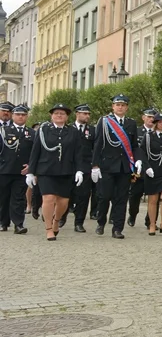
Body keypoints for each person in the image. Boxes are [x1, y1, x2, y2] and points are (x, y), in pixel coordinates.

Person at [26, 104, 88, 241]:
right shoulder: (43, 130)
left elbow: (78, 152)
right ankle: (48, 229)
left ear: (67, 117)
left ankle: (56, 221)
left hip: (66, 170)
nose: (59, 115)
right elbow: (35, 151)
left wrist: (80, 170)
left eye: (62, 113)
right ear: (51, 115)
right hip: (46, 170)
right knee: (48, 198)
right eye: (56, 113)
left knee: (63, 201)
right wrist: (31, 172)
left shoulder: (73, 131)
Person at [92, 94, 140, 239]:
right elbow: (98, 143)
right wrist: (95, 165)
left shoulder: (131, 123)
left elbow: (134, 146)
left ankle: (117, 228)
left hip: (124, 167)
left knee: (121, 198)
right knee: (105, 196)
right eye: (117, 104)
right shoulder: (105, 121)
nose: (120, 107)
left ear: (127, 107)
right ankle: (101, 222)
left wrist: (137, 160)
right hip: (107, 165)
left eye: (123, 105)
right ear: (113, 107)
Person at [63, 104, 96, 233]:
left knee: (83, 196)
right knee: (66, 194)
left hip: (86, 167)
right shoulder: (68, 129)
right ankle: (62, 216)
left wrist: (94, 165)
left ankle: (79, 222)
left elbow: (95, 148)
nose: (87, 116)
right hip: (69, 167)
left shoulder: (92, 130)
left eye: (88, 114)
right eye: (84, 113)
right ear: (77, 114)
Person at [0, 103, 32, 234]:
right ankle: (3, 222)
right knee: (3, 197)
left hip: (21, 171)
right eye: (18, 114)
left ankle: (18, 224)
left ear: (26, 117)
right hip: (4, 169)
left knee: (18, 198)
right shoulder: (3, 131)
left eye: (23, 115)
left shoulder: (32, 133)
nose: (20, 117)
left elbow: (35, 152)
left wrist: (31, 166)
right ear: (13, 116)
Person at [127, 108, 156, 229]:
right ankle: (132, 215)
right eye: (148, 117)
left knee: (154, 196)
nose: (151, 119)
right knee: (135, 195)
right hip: (138, 170)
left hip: (153, 169)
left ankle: (150, 220)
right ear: (143, 118)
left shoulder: (158, 133)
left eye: (153, 117)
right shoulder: (137, 131)